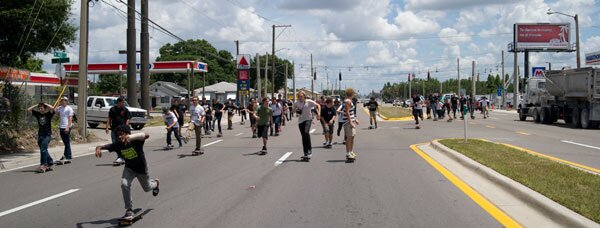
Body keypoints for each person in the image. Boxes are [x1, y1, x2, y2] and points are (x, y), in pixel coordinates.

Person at [94, 125, 159, 220]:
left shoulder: (136, 142)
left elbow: (146, 135)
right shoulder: (117, 145)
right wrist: (98, 149)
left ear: (127, 133)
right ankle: (129, 209)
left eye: (122, 134)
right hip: (129, 169)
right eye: (118, 135)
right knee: (124, 184)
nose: (120, 137)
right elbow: (101, 146)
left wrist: (131, 137)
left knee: (147, 188)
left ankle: (156, 183)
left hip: (141, 169)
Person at [28, 102, 55, 172]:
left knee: (43, 148)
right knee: (43, 149)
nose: (40, 109)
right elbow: (29, 109)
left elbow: (52, 108)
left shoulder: (48, 114)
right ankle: (50, 161)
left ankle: (43, 164)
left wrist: (46, 104)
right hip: (40, 135)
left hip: (47, 134)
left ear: (44, 108)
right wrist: (36, 105)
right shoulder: (38, 114)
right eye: (39, 108)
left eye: (42, 108)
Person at [293, 91, 320, 159]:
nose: (300, 98)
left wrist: (319, 114)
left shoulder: (309, 101)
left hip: (308, 119)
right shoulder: (296, 103)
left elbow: (318, 105)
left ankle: (309, 149)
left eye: (301, 96)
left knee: (306, 132)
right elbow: (292, 110)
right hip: (301, 121)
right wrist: (296, 110)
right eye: (298, 97)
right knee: (303, 136)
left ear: (304, 96)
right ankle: (305, 152)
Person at [107, 97, 130, 165]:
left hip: (122, 130)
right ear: (119, 102)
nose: (124, 103)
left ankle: (121, 157)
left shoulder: (125, 110)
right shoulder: (112, 109)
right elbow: (109, 118)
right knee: (115, 143)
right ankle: (120, 157)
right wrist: (107, 127)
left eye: (124, 102)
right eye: (123, 102)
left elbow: (127, 119)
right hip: (114, 129)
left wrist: (126, 128)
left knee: (122, 143)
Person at [341, 88, 359, 160]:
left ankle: (351, 151)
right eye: (354, 93)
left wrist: (355, 119)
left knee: (352, 137)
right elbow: (347, 112)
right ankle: (348, 153)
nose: (354, 94)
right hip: (348, 122)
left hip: (351, 121)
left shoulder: (349, 101)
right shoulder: (348, 101)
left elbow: (351, 112)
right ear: (352, 94)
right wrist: (351, 122)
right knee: (349, 137)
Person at [55, 97, 74, 163]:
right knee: (66, 142)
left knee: (66, 141)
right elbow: (54, 111)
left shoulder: (69, 108)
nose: (63, 102)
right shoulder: (60, 108)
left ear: (67, 101)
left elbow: (70, 118)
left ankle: (67, 155)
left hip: (67, 126)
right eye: (62, 100)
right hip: (61, 126)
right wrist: (57, 104)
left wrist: (67, 127)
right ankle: (68, 155)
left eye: (65, 100)